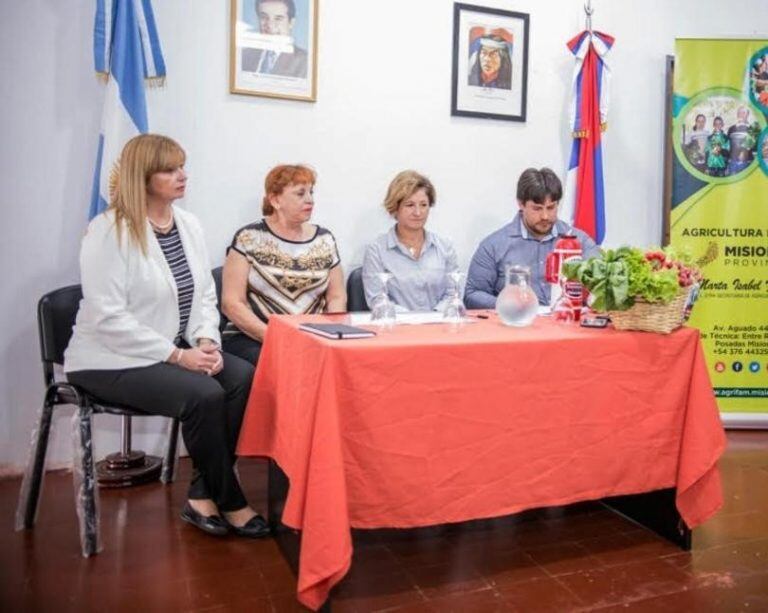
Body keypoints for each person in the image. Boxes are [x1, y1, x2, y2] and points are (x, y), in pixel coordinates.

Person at [64, 134, 268, 539]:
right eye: (170, 169)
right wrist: (178, 357)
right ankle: (230, 499)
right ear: (143, 177)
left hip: (171, 351)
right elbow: (108, 317)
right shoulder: (107, 230)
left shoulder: (188, 224)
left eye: (182, 166)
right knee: (204, 395)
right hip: (108, 358)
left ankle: (201, 494)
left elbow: (203, 295)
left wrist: (207, 339)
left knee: (242, 376)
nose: (182, 175)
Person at [221, 164, 346, 364]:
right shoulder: (249, 238)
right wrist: (276, 337)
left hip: (313, 336)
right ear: (275, 200)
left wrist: (331, 333)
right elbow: (232, 303)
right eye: (300, 193)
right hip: (255, 337)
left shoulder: (325, 238)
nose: (310, 200)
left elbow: (336, 296)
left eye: (311, 192)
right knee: (291, 362)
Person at [465, 167, 599, 307]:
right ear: (521, 204)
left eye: (551, 207)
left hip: (568, 322)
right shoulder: (493, 245)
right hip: (517, 324)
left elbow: (601, 286)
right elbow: (472, 294)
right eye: (537, 208)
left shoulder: (580, 241)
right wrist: (511, 305)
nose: (545, 216)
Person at [362, 170, 458, 312]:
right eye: (410, 205)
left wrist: (433, 318)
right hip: (397, 328)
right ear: (395, 208)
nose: (418, 212)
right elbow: (377, 300)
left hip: (439, 326)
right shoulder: (376, 250)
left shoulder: (445, 246)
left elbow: (453, 294)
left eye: (423, 205)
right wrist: (413, 321)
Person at [241, 0, 308, 78]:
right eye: (264, 17)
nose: (270, 25)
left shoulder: (305, 62)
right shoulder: (244, 55)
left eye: (278, 19)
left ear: (291, 23)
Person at [727, 106, 755, 174]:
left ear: (747, 114)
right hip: (733, 163)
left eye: (743, 113)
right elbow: (728, 145)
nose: (741, 115)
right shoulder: (731, 128)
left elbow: (753, 147)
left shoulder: (753, 128)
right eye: (739, 113)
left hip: (747, 163)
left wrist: (743, 153)